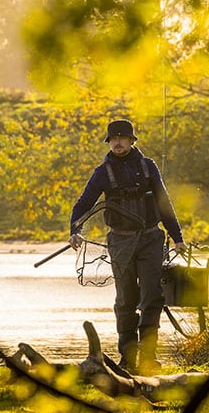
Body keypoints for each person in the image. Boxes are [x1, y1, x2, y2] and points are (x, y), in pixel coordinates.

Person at [69, 118, 185, 374]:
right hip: (120, 241)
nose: (118, 142)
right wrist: (74, 230)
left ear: (132, 141)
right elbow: (83, 204)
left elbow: (164, 202)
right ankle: (128, 357)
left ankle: (149, 357)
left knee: (152, 296)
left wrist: (177, 237)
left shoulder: (148, 167)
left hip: (151, 239)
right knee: (125, 300)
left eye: (123, 138)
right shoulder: (102, 173)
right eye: (113, 139)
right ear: (109, 142)